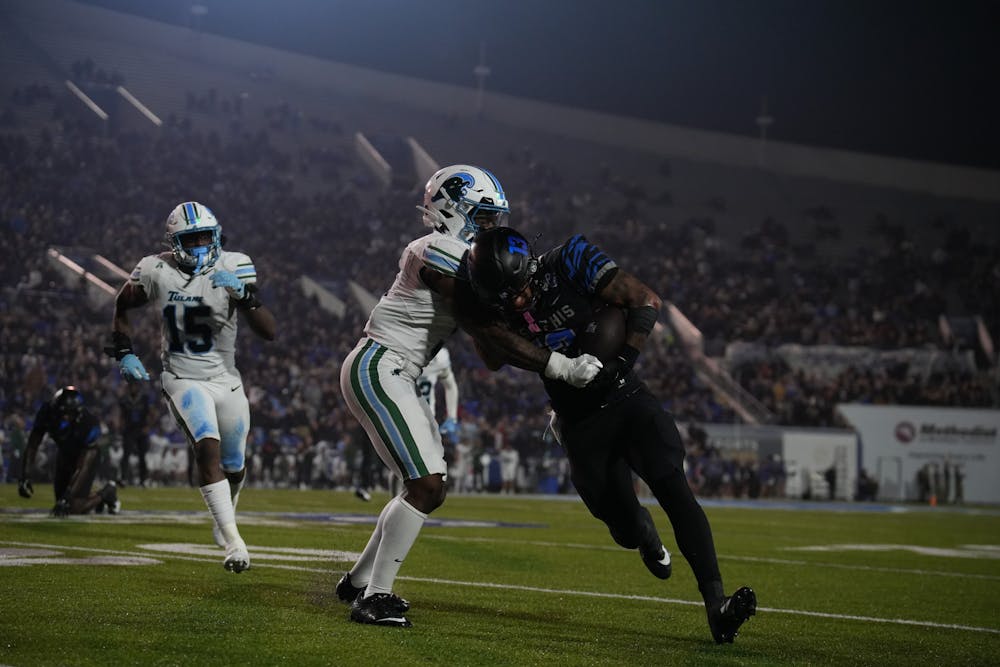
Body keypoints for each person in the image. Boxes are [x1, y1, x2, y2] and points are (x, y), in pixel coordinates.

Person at [336, 165, 602, 627]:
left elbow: (490, 351)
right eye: (482, 218)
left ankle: (358, 582)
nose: (491, 229)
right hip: (381, 365)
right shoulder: (436, 249)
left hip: (399, 370)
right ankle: (375, 597)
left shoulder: (461, 263)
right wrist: (557, 363)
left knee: (424, 485)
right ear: (451, 210)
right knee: (426, 486)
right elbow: (484, 324)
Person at [464, 226, 757, 644]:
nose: (515, 300)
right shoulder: (493, 304)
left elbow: (645, 300)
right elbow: (493, 358)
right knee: (621, 526)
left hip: (625, 396)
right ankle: (641, 529)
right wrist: (483, 314)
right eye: (503, 295)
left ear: (529, 266)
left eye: (518, 289)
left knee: (672, 483)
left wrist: (623, 361)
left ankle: (717, 606)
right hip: (578, 421)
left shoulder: (569, 260)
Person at [106, 201, 276, 573]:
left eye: (205, 236)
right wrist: (123, 353)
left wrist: (244, 296)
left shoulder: (235, 265)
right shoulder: (155, 269)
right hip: (182, 377)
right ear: (174, 241)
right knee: (206, 446)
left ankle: (225, 514)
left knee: (235, 464)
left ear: (216, 236)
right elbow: (122, 303)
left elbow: (269, 331)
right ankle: (235, 544)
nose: (200, 244)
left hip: (226, 379)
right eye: (191, 238)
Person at [18, 386, 120, 516]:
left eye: (68, 413)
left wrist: (68, 495)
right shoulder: (47, 412)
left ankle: (106, 493)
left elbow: (83, 467)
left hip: (86, 458)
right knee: (60, 503)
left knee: (72, 507)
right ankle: (91, 498)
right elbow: (33, 444)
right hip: (64, 454)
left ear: (77, 413)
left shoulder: (88, 424)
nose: (64, 417)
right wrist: (25, 476)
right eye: (62, 412)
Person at [118, 381, 153, 486]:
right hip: (129, 430)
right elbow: (121, 415)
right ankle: (123, 478)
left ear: (138, 387)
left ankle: (143, 479)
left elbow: (151, 413)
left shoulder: (144, 399)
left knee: (142, 456)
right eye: (131, 386)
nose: (133, 388)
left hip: (141, 429)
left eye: (134, 386)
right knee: (126, 455)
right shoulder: (124, 400)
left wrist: (148, 426)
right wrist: (121, 425)